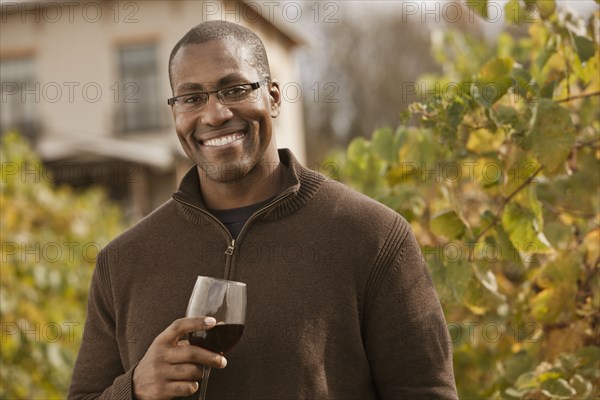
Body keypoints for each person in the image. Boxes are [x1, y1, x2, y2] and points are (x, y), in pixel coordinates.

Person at [68, 20, 458, 400]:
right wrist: (134, 389)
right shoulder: (122, 260)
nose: (215, 114)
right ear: (175, 113)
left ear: (272, 97)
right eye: (192, 98)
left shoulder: (373, 235)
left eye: (234, 89)